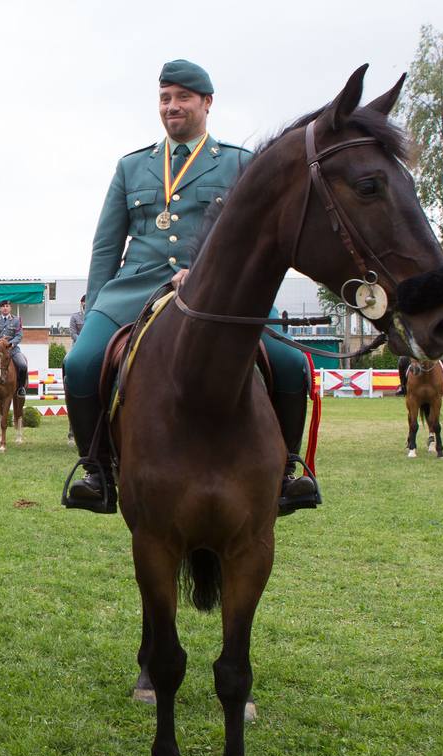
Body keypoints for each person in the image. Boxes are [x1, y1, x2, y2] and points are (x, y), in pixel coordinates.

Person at [63, 59, 319, 516]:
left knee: (291, 364)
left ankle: (287, 472)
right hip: (135, 288)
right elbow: (107, 245)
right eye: (165, 98)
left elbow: (257, 239)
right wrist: (97, 302)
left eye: (183, 97)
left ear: (207, 103)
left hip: (225, 294)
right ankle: (96, 473)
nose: (172, 106)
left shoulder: (241, 162)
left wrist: (204, 274)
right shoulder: (131, 166)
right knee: (81, 364)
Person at [0, 299, 28, 391]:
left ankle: (21, 387)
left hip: (12, 349)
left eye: (7, 306)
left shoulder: (17, 320)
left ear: (10, 308)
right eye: (3, 306)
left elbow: (19, 335)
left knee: (23, 365)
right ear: (0, 308)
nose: (5, 308)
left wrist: (11, 344)